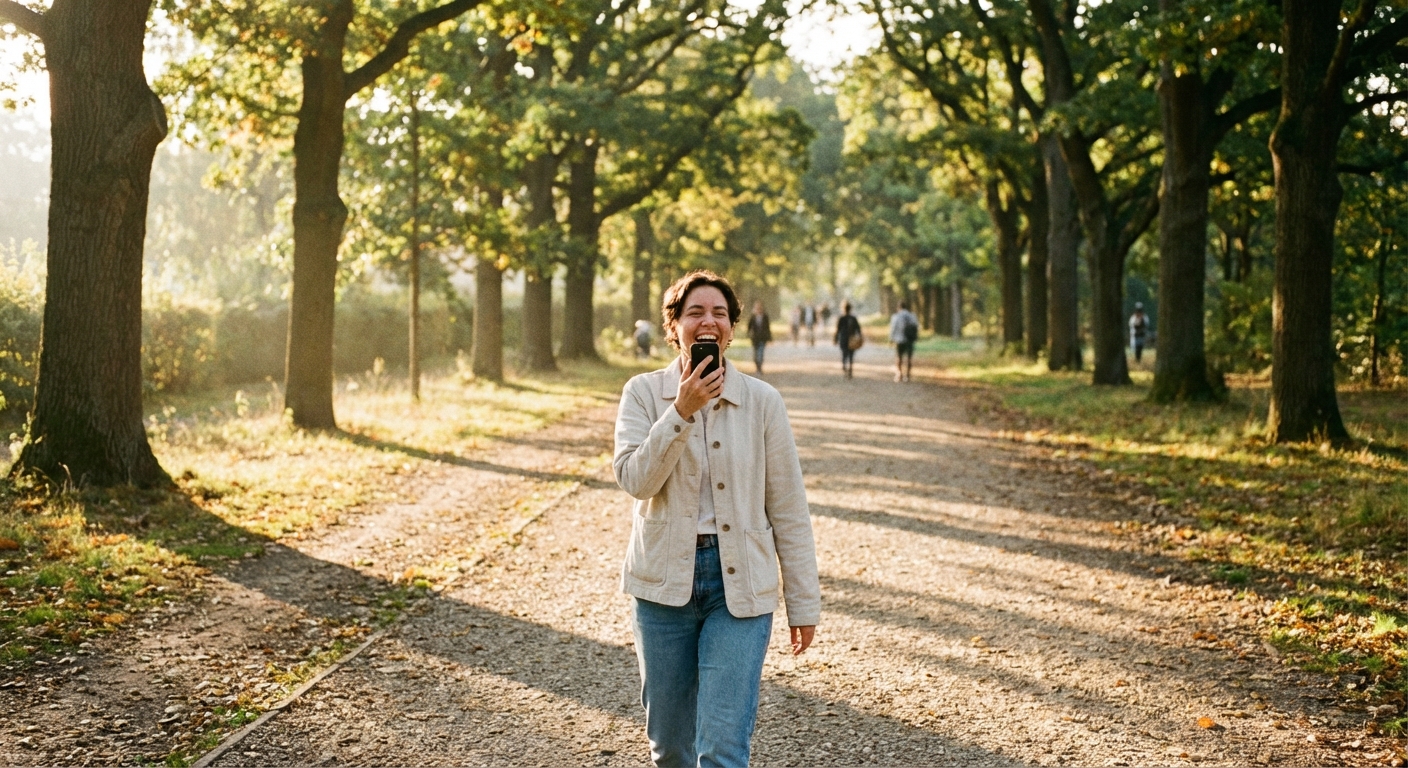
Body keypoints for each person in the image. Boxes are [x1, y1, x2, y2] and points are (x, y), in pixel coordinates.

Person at [614, 270, 820, 768]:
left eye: (720, 314)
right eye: (695, 312)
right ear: (674, 326)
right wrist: (681, 412)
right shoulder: (642, 393)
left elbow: (789, 508)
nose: (709, 321)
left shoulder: (763, 402)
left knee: (723, 748)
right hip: (662, 587)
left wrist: (803, 602)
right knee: (671, 749)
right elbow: (634, 479)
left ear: (731, 329)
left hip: (740, 588)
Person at [889, 301, 919, 382]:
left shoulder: (896, 316)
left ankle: (899, 374)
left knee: (899, 357)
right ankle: (908, 376)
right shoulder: (912, 316)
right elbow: (916, 327)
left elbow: (893, 328)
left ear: (899, 307)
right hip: (909, 339)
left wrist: (891, 339)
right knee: (909, 358)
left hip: (900, 339)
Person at [833, 300, 862, 379]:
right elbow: (858, 328)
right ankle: (850, 368)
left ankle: (844, 366)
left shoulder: (841, 318)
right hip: (851, 338)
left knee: (844, 354)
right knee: (851, 354)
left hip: (843, 338)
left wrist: (835, 338)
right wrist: (859, 336)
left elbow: (837, 329)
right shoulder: (853, 318)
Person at [746, 301, 772, 374]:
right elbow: (749, 326)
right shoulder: (753, 316)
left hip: (762, 338)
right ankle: (757, 367)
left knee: (760, 353)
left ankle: (760, 368)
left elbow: (768, 328)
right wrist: (748, 334)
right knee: (755, 354)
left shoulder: (765, 316)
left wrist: (770, 338)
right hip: (755, 338)